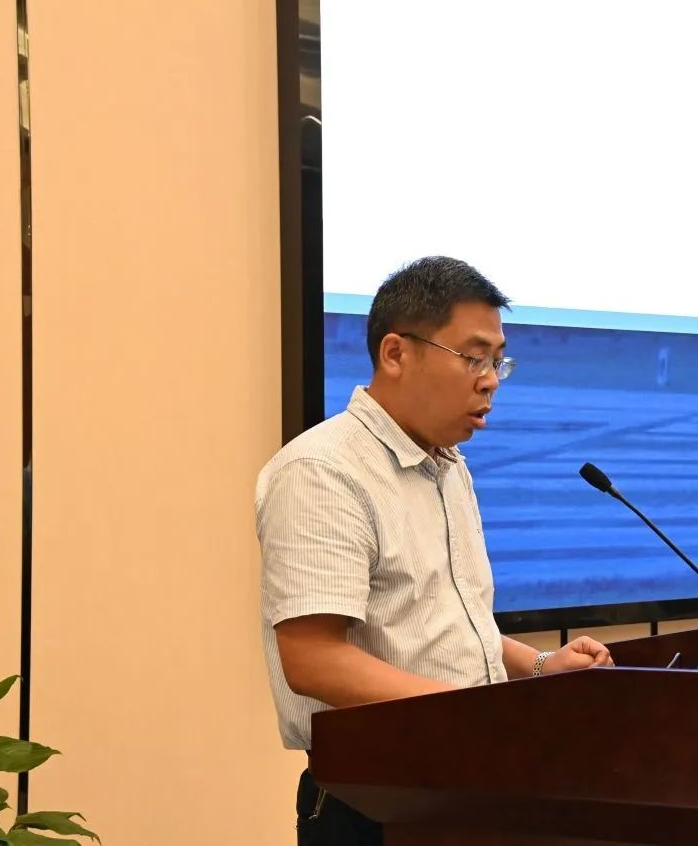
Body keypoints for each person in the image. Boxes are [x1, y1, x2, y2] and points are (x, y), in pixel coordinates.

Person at [256, 256, 614, 845]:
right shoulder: (323, 472)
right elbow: (313, 658)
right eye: (474, 357)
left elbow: (441, 622)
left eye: (498, 361)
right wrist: (476, 715)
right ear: (396, 353)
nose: (491, 379)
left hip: (468, 784)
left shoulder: (447, 466)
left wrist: (540, 667)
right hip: (377, 799)